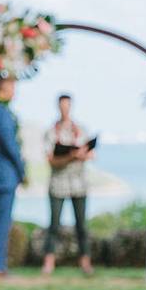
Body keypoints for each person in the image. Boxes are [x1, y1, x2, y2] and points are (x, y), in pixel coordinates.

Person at [42, 93, 94, 276]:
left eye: (68, 106)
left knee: (82, 225)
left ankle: (86, 262)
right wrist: (69, 157)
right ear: (58, 107)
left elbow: (90, 154)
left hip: (79, 184)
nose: (65, 109)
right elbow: (51, 160)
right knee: (54, 225)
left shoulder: (80, 130)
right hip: (58, 184)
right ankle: (49, 262)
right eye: (62, 106)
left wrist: (82, 155)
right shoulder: (51, 131)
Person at [0, 77, 25, 278]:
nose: (15, 92)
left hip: (0, 173)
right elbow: (10, 146)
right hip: (5, 174)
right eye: (12, 87)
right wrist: (22, 169)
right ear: (4, 89)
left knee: (1, 219)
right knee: (3, 220)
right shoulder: (1, 114)